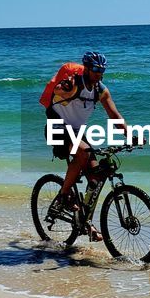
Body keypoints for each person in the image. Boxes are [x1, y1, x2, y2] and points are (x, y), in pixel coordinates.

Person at [39, 51, 128, 235]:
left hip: (77, 134)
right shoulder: (74, 83)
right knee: (84, 152)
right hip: (57, 128)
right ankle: (63, 197)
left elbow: (114, 115)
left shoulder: (101, 90)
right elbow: (58, 91)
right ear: (86, 68)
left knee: (96, 178)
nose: (99, 74)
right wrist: (63, 87)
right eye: (95, 69)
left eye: (102, 70)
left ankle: (84, 221)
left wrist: (130, 134)